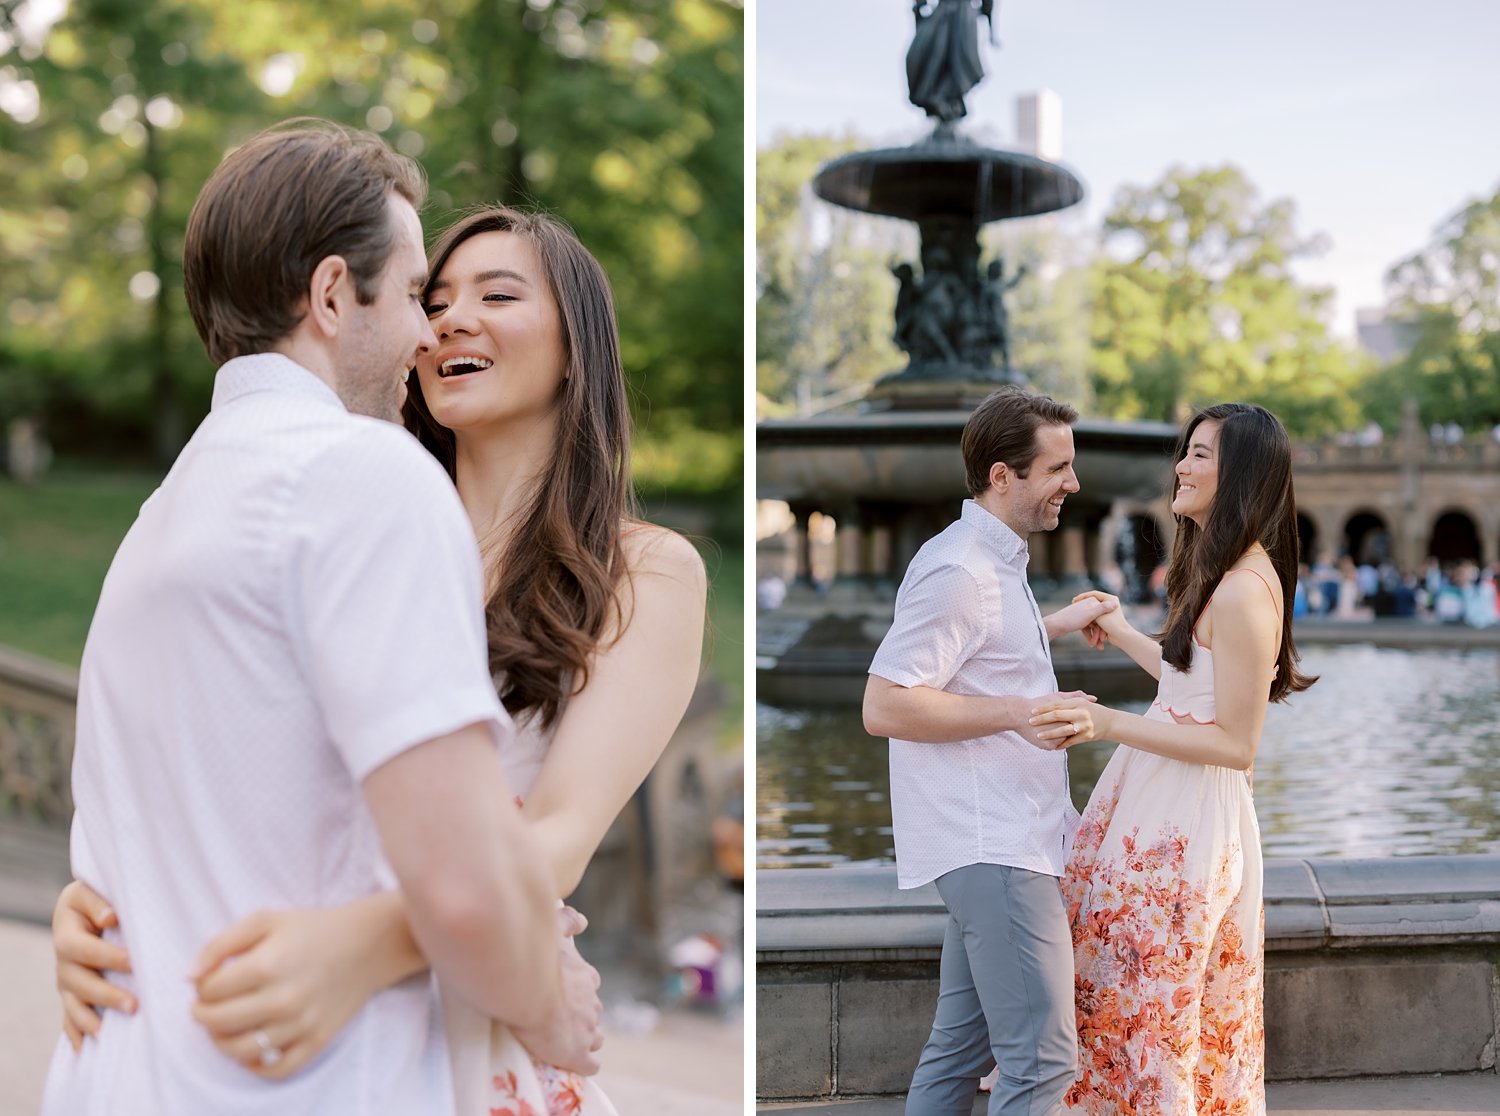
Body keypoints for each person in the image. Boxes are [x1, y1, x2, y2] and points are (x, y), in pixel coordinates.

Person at [51, 205, 708, 1116]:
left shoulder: (647, 572)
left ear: (577, 343)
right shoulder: (355, 512)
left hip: (470, 1016)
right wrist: (102, 896)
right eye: (430, 299)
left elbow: (555, 835)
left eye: (499, 294)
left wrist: (366, 944)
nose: (450, 320)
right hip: (284, 1016)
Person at [1029, 402, 1316, 1115]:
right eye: (1185, 451)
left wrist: (1105, 722)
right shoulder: (1221, 575)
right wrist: (1123, 632)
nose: (1181, 467)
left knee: (1152, 1016)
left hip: (1189, 827)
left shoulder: (1248, 590)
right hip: (1156, 810)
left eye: (1201, 455)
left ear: (1242, 476)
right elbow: (1195, 687)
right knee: (1122, 1003)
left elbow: (1235, 742)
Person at [862, 386, 1117, 1116]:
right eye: (1057, 468)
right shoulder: (961, 569)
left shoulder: (988, 560)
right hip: (995, 846)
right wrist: (1026, 711)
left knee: (959, 1052)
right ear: (1002, 476)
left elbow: (981, 644)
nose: (1073, 483)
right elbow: (884, 705)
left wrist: (1056, 626)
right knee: (1041, 1061)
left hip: (999, 841)